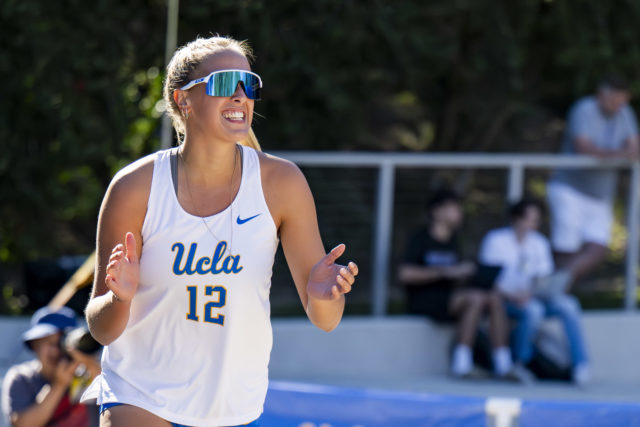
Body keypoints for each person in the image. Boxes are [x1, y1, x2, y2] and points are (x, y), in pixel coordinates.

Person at [81, 35, 358, 427]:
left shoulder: (281, 182)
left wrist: (323, 295)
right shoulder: (134, 187)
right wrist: (119, 299)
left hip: (233, 405)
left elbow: (325, 320)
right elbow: (101, 329)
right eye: (225, 83)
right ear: (183, 100)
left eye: (250, 85)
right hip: (139, 394)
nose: (241, 96)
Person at [398, 190, 514, 379]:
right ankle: (461, 363)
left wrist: (467, 273)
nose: (458, 213)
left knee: (493, 298)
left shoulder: (454, 241)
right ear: (437, 211)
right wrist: (445, 272)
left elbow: (456, 275)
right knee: (475, 299)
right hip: (424, 299)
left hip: (450, 297)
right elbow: (405, 274)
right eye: (453, 208)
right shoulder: (420, 238)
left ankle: (503, 363)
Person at [479, 199, 590, 385]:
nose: (532, 225)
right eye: (528, 219)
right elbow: (487, 278)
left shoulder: (539, 243)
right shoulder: (496, 240)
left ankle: (581, 365)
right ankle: (521, 363)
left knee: (569, 305)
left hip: (535, 296)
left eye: (535, 221)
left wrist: (540, 290)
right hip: (505, 299)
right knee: (533, 310)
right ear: (515, 219)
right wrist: (513, 295)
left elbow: (544, 277)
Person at [548, 74, 640, 286]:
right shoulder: (584, 110)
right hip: (570, 189)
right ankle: (555, 292)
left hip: (600, 195)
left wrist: (618, 154)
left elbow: (635, 148)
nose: (618, 107)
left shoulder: (624, 112)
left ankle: (554, 286)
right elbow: (584, 147)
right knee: (566, 248)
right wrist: (620, 154)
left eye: (622, 101)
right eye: (614, 101)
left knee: (598, 247)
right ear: (601, 95)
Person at [1, 306, 101, 427]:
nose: (56, 351)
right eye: (50, 343)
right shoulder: (22, 378)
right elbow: (22, 424)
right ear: (34, 345)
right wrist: (59, 385)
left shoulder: (89, 375)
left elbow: (115, 399)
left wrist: (90, 363)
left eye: (61, 343)